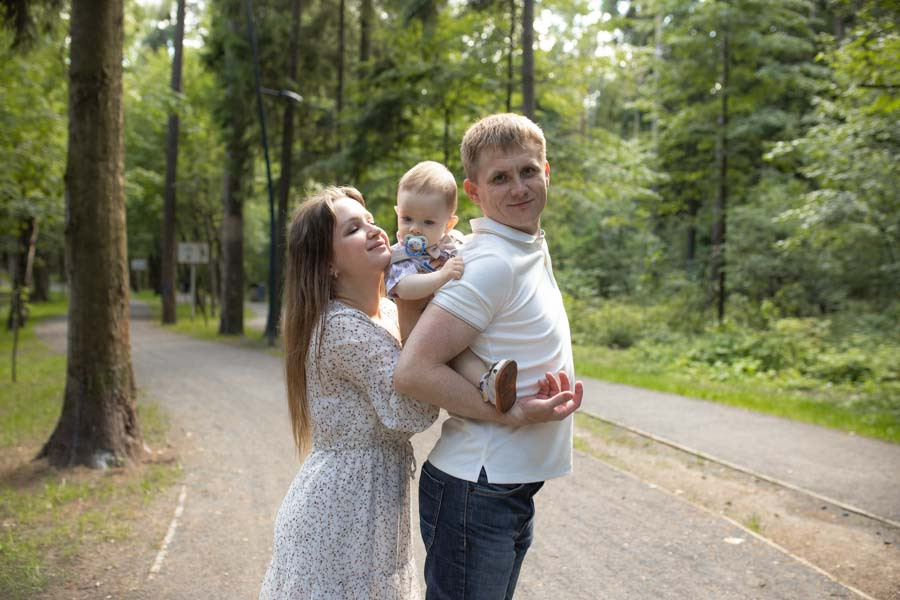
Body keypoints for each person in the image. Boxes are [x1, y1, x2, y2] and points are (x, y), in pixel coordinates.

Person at [394, 113, 583, 599]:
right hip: (477, 491)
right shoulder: (491, 262)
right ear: (474, 190)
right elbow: (413, 370)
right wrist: (513, 413)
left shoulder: (523, 245)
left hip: (505, 488)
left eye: (527, 171)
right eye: (500, 177)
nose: (519, 187)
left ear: (547, 171)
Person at [259, 186, 439, 599]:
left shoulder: (389, 311)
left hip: (368, 508)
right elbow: (410, 411)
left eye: (371, 220)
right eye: (353, 229)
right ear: (327, 264)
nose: (375, 230)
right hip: (342, 514)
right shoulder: (340, 328)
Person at [386, 160, 517, 413]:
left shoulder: (452, 244)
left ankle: (489, 385)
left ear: (448, 225)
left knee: (463, 351)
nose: (414, 228)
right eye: (407, 218)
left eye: (428, 223)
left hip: (446, 326)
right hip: (418, 338)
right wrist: (441, 276)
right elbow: (404, 288)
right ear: (397, 213)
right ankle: (481, 390)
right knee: (458, 355)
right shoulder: (402, 255)